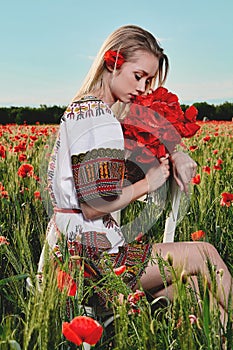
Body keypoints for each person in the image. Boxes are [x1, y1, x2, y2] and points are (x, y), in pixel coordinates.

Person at [38, 24, 232, 323]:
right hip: (96, 263)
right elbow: (94, 205)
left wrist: (175, 151)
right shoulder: (102, 120)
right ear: (111, 61)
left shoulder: (82, 109)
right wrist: (147, 183)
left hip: (72, 253)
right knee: (203, 253)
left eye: (149, 80)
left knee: (194, 288)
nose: (143, 88)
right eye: (138, 76)